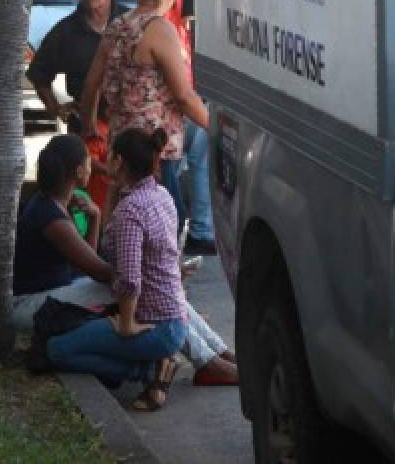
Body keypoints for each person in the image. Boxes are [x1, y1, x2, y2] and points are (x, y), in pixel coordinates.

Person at [13, 134, 238, 387]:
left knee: (156, 290)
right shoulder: (51, 216)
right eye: (89, 161)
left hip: (57, 293)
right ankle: (209, 361)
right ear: (78, 171)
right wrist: (160, 274)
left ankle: (216, 353)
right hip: (30, 304)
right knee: (150, 290)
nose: (95, 165)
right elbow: (100, 271)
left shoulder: (56, 204)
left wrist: (96, 218)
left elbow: (88, 263)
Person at [46, 128, 190, 411]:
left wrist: (126, 324)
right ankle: (150, 364)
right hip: (174, 321)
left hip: (154, 326)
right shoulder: (160, 195)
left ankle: (147, 372)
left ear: (119, 160)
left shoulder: (132, 210)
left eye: (109, 153)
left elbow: (129, 279)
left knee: (56, 349)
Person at [80, 0, 209, 226]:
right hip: (154, 148)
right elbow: (184, 96)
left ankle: (121, 265)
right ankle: (155, 269)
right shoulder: (160, 29)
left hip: (121, 142)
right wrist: (212, 124)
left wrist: (89, 124)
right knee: (165, 219)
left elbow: (91, 83)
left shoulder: (117, 26)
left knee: (121, 215)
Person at [27, 0, 128, 207]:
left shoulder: (130, 23)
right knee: (89, 201)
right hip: (86, 131)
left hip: (127, 126)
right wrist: (56, 108)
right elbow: (39, 73)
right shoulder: (66, 31)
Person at [165, 0, 216, 254]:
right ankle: (200, 229)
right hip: (190, 84)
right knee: (198, 160)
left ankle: (171, 229)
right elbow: (196, 37)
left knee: (168, 161)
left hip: (165, 82)